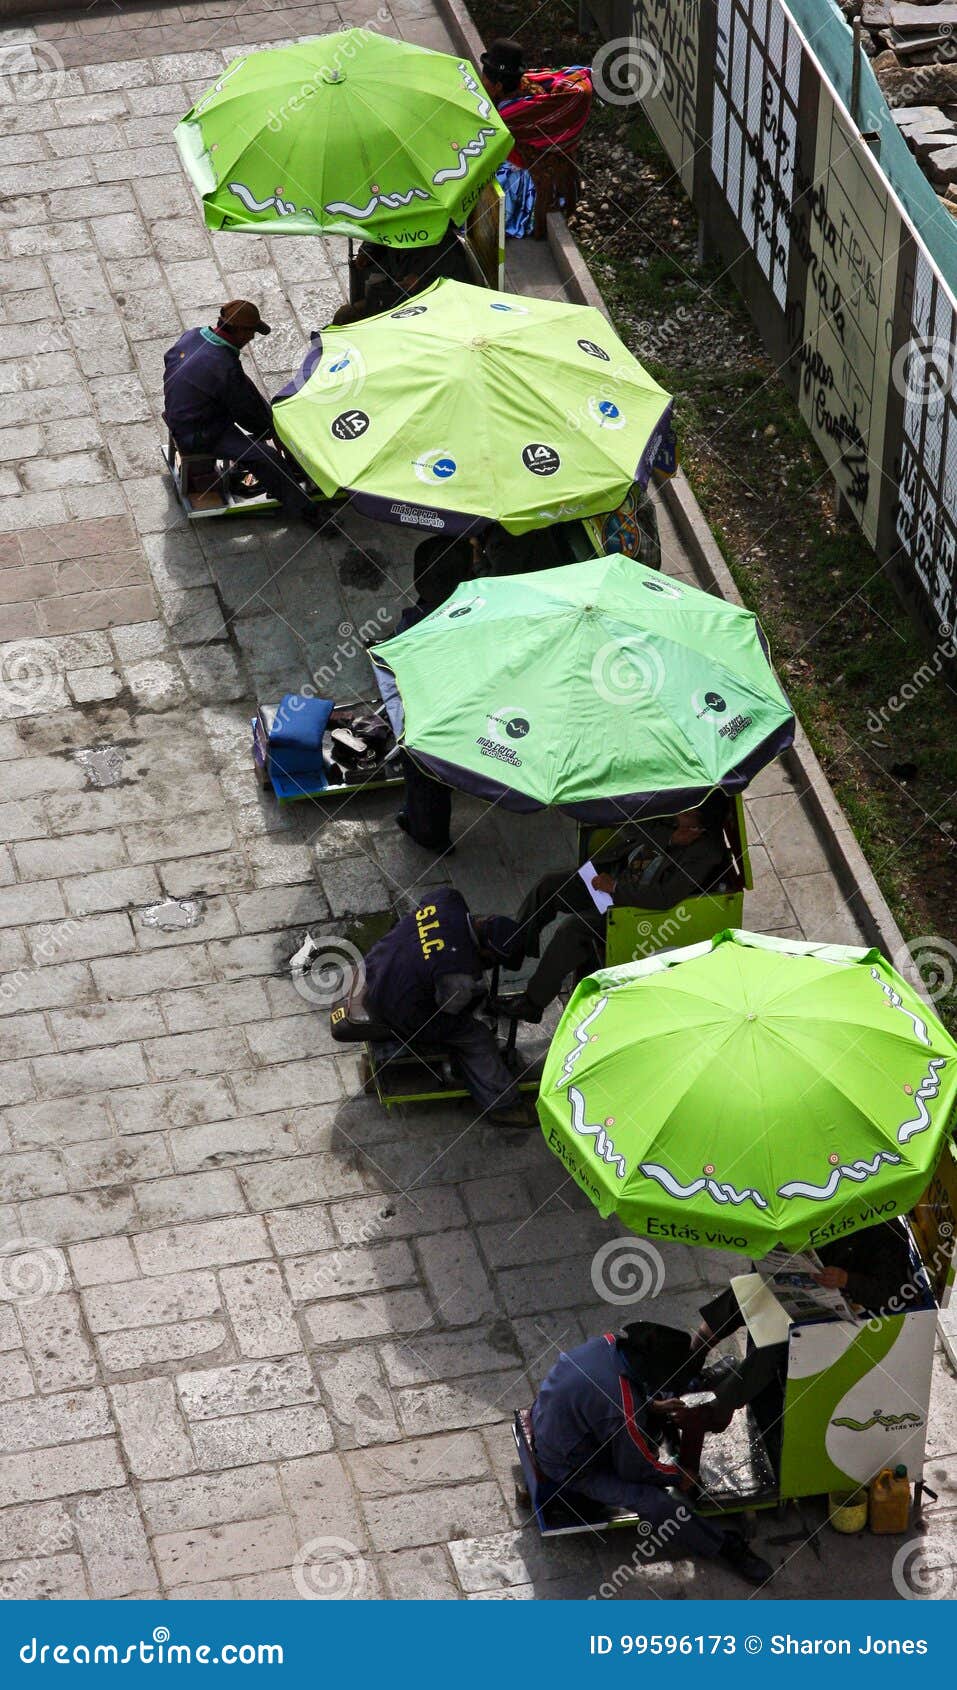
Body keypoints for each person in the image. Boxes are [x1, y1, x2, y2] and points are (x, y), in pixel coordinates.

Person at [530, 1322, 774, 1586]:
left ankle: (696, 1382)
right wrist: (678, 1475)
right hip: (568, 1466)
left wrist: (652, 1405)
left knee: (658, 1396)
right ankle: (724, 1545)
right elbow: (633, 1470)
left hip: (554, 1420)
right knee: (654, 1502)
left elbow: (613, 1392)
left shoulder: (609, 1342)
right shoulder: (623, 1411)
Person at [667, 1218, 917, 1472]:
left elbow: (894, 1292)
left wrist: (847, 1280)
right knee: (751, 1293)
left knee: (777, 1339)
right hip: (811, 1290)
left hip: (855, 1319)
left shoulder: (885, 1233)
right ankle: (694, 1356)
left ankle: (718, 1408)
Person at [497, 795, 733, 1021]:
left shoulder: (706, 853)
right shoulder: (673, 819)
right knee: (550, 886)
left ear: (700, 822)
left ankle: (533, 1002)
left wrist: (616, 888)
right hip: (615, 875)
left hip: (632, 907)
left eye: (688, 813)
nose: (680, 812)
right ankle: (514, 946)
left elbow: (664, 897)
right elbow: (637, 828)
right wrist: (670, 839)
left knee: (572, 930)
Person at [362, 887, 533, 1126]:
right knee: (475, 1037)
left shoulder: (447, 899)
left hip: (373, 970)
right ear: (486, 951)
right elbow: (450, 1010)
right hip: (390, 1005)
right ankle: (503, 1106)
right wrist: (479, 1010)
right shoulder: (458, 974)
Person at [163, 300, 320, 524]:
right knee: (267, 457)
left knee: (247, 392)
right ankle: (305, 509)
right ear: (238, 330)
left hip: (181, 408)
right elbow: (246, 413)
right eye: (251, 332)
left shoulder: (193, 335)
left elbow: (240, 389)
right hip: (197, 432)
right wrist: (269, 430)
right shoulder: (224, 367)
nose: (252, 338)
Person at [389, 536, 476, 854]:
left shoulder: (412, 625)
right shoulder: (473, 617)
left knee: (426, 780)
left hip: (430, 720)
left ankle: (429, 834)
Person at [480, 39, 593, 239]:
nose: (481, 82)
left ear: (498, 86)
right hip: (554, 170)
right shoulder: (527, 85)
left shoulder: (509, 113)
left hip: (530, 181)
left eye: (484, 80)